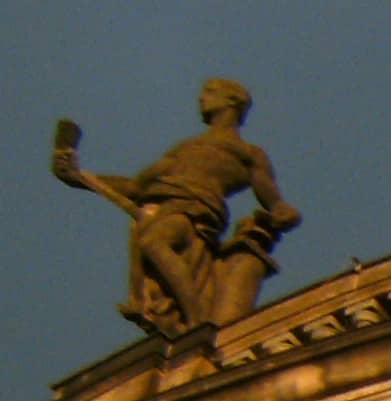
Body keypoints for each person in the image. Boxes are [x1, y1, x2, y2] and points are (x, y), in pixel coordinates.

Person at [53, 80, 298, 337]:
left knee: (153, 243)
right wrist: (82, 177)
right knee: (150, 243)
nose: (202, 98)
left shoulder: (249, 153)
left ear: (233, 100)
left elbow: (272, 196)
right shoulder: (184, 148)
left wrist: (283, 210)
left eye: (210, 92)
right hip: (162, 207)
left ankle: (197, 318)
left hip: (198, 209)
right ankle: (190, 319)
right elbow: (136, 187)